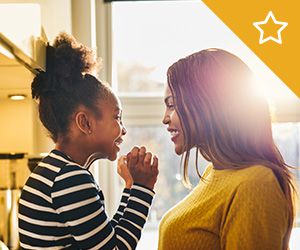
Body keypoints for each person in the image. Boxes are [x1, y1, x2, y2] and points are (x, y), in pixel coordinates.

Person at [18, 33, 158, 249]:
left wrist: (130, 187)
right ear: (85, 123)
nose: (123, 130)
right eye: (117, 117)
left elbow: (107, 240)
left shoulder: (52, 171)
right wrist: (144, 188)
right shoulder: (71, 179)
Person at [159, 49, 295, 250]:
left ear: (208, 105)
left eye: (172, 105)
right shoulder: (215, 172)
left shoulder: (255, 184)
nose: (165, 118)